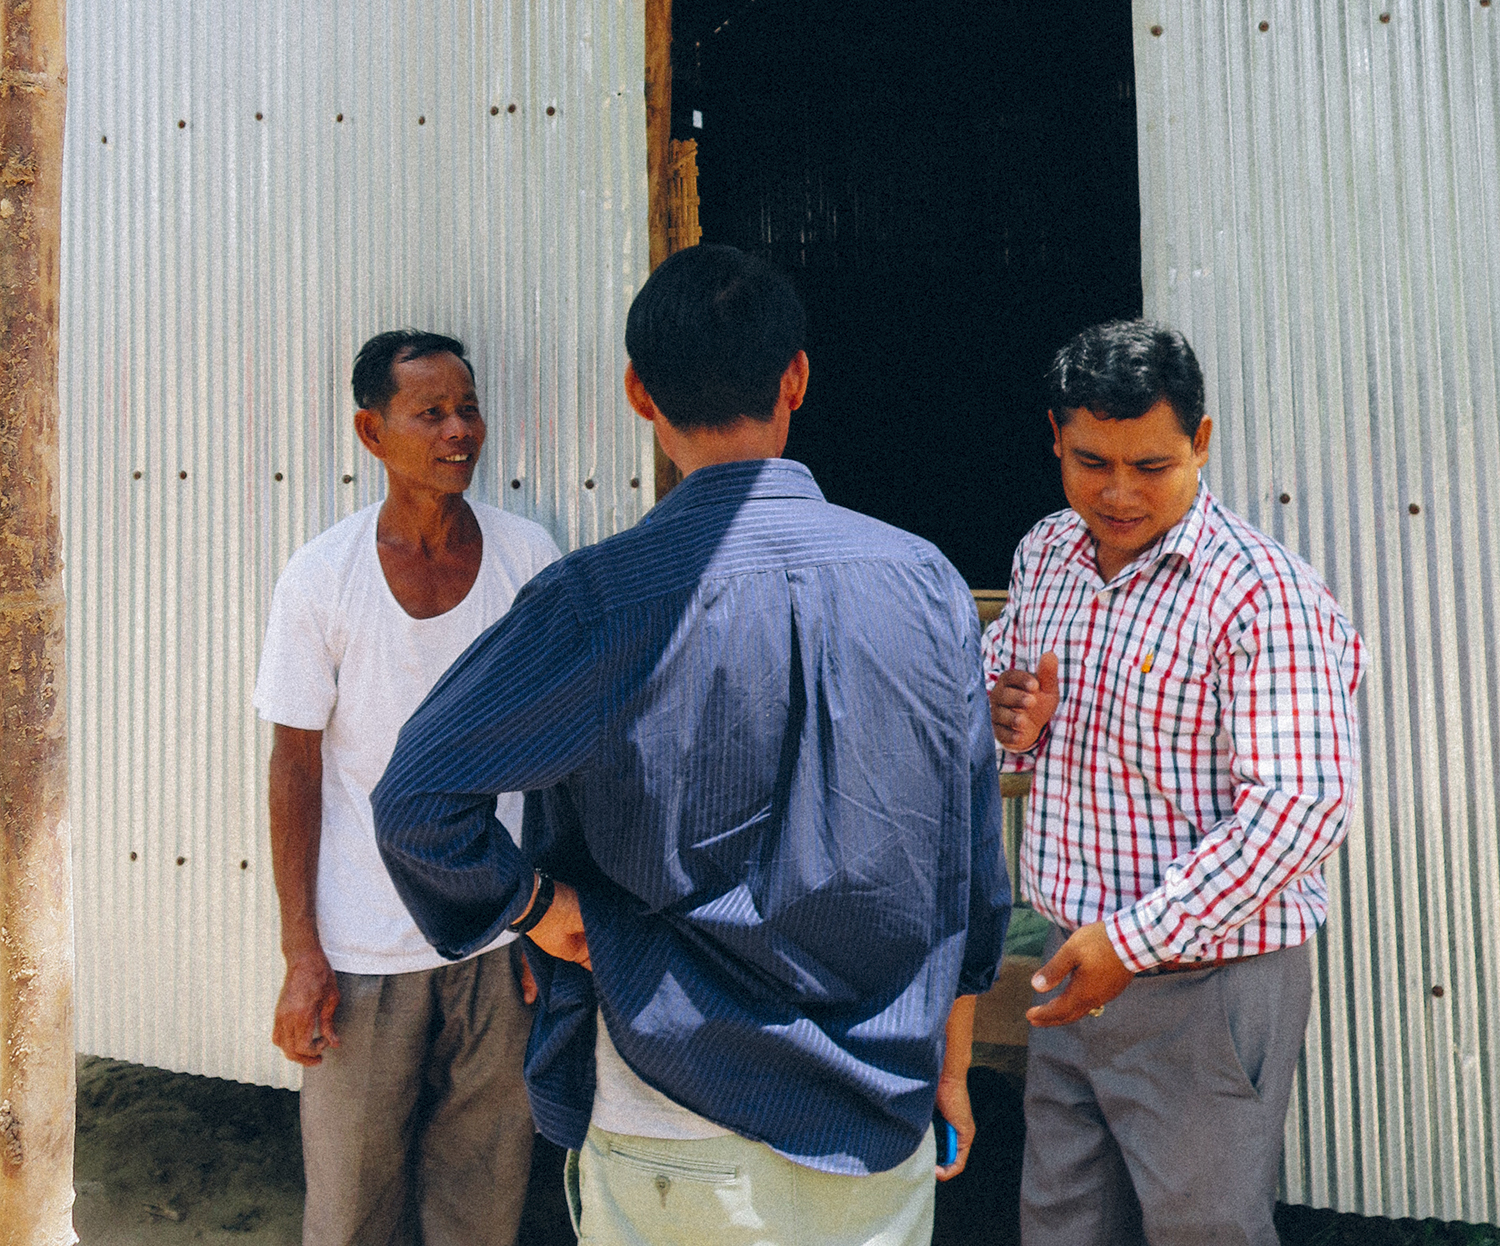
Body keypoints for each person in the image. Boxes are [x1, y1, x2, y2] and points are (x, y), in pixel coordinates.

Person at [371, 245, 1009, 1246]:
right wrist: (952, 1068)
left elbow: (416, 794)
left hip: (669, 1106)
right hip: (880, 1112)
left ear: (637, 391)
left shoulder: (601, 598)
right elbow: (969, 871)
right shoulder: (926, 581)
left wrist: (535, 905)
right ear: (796, 376)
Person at [984, 318, 1364, 1246]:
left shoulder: (1260, 592)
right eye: (1090, 461)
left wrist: (1137, 940)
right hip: (1070, 965)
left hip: (1205, 981)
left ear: (1201, 440)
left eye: (1150, 465)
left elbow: (1301, 807)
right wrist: (1009, 725)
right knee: (1063, 1224)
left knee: (1204, 1230)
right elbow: (1006, 727)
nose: (1117, 492)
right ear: (1055, 436)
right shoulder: (1047, 555)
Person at [253, 329, 560, 1246]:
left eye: (467, 408)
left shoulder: (526, 558)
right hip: (363, 954)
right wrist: (301, 950)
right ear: (370, 431)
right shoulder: (322, 576)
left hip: (498, 942)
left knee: (483, 1203)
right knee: (350, 1212)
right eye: (431, 412)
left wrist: (542, 916)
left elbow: (555, 757)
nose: (459, 429)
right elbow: (295, 765)